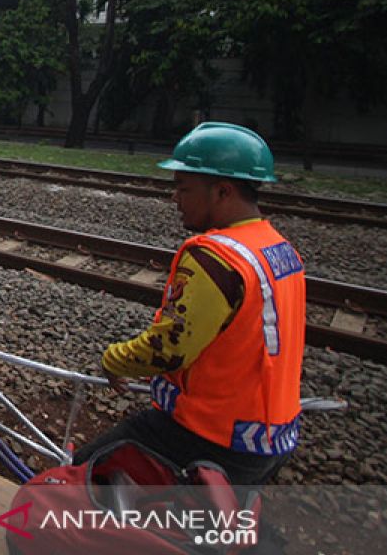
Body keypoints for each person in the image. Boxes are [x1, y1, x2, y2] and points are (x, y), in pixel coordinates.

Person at [74, 122, 306, 485]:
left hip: (209, 437)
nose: (175, 199)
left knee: (81, 477)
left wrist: (114, 359)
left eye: (184, 188)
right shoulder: (278, 250)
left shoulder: (216, 258)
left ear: (222, 191)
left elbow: (170, 347)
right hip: (271, 438)